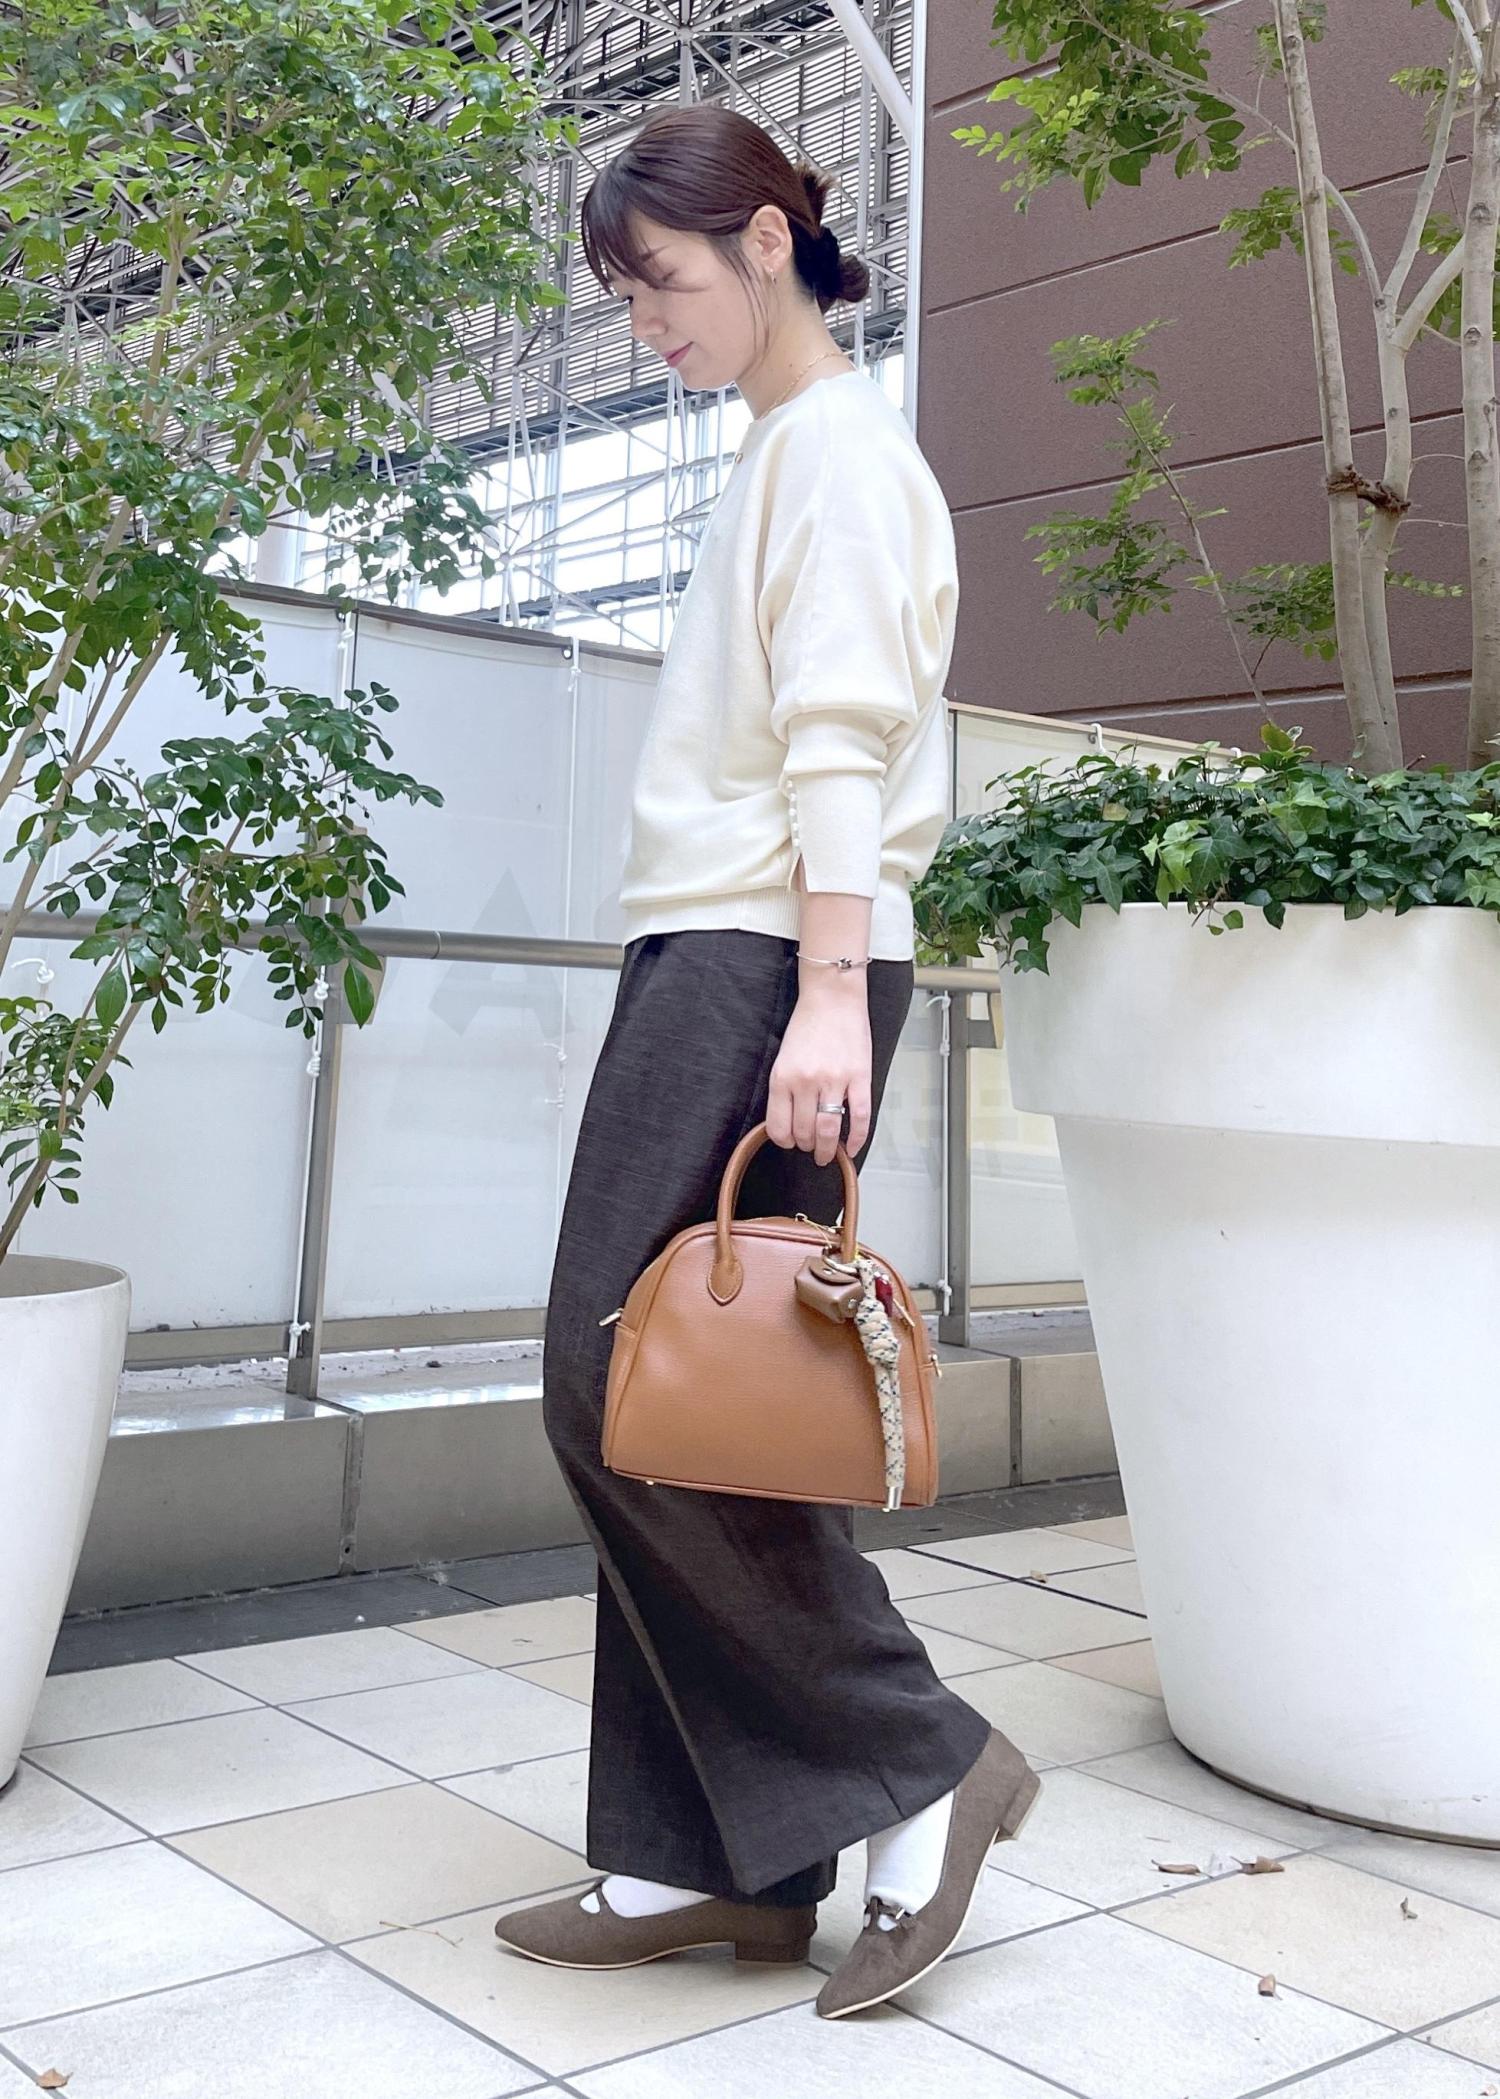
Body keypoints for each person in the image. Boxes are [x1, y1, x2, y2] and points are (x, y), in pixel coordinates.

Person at [491, 102, 1040, 2019]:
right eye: (625, 297)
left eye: (661, 283)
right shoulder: (782, 451)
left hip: (763, 957)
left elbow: (843, 742)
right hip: (726, 949)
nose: (646, 323)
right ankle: (715, 1860)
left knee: (618, 1384)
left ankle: (922, 1761)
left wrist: (822, 990)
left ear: (768, 237)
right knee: (690, 1406)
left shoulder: (841, 456)